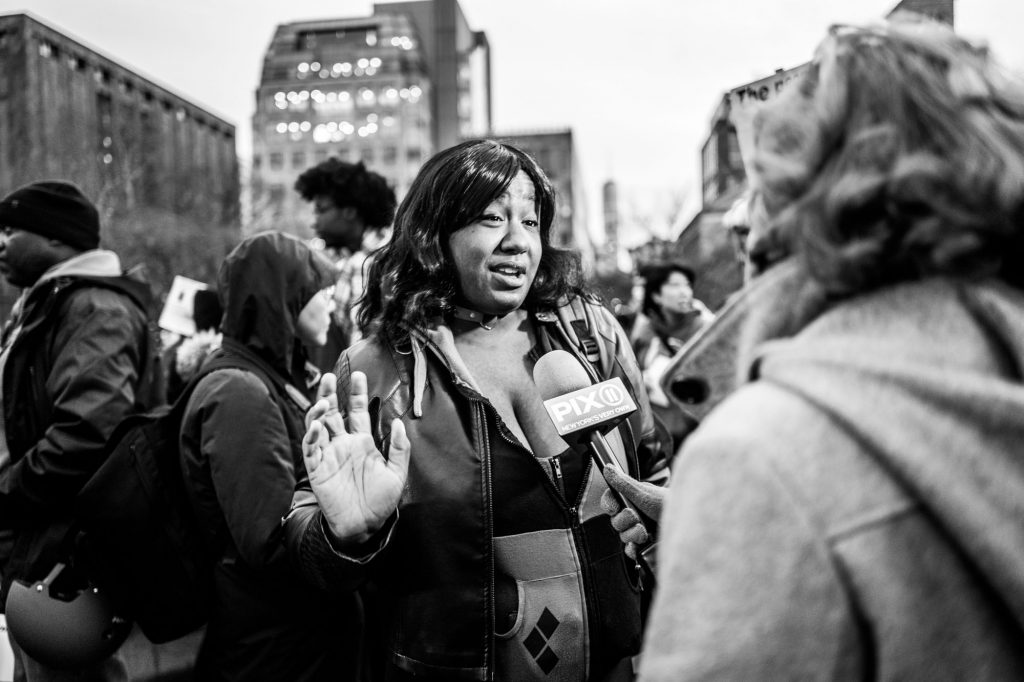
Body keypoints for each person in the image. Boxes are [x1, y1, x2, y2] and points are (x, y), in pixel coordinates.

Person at [606, 15, 1024, 679]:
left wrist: (743, 511)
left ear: (802, 202)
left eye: (761, 180)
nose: (742, 216)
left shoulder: (762, 454)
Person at [284, 139, 671, 681]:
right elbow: (310, 547)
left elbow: (652, 467)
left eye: (531, 222)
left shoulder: (590, 333)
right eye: (491, 219)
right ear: (433, 237)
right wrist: (346, 536)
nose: (518, 242)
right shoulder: (376, 369)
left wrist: (660, 523)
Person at [178, 231, 360, 680]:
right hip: (271, 647)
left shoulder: (272, 378)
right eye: (317, 289)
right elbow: (270, 541)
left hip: (290, 637)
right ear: (283, 299)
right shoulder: (239, 391)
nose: (330, 301)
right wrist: (356, 525)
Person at [0, 180, 152, 681]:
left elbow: (85, 437)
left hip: (68, 559)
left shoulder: (94, 309)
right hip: (38, 539)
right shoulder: (47, 304)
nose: (0, 242)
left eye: (10, 229)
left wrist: (4, 491)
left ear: (58, 239)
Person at [294, 158, 397, 371]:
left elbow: (357, 345)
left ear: (349, 211)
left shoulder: (370, 263)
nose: (315, 221)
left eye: (321, 210)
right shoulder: (350, 257)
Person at [629, 262, 713, 452]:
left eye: (687, 285)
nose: (685, 292)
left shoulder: (706, 324)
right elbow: (649, 374)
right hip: (670, 433)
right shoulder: (646, 332)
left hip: (708, 420)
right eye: (675, 286)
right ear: (656, 296)